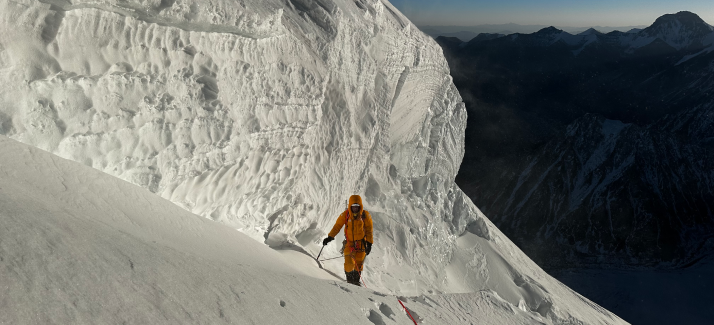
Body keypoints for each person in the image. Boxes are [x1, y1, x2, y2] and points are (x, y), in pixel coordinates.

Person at [322, 195, 373, 286]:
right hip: (350, 244)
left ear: (360, 206)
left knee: (359, 265)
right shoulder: (345, 215)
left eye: (357, 206)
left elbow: (369, 230)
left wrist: (369, 243)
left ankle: (356, 282)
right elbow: (337, 226)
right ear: (350, 206)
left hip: (362, 244)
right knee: (349, 264)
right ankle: (349, 282)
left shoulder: (365, 215)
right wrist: (330, 237)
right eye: (353, 206)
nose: (355, 208)